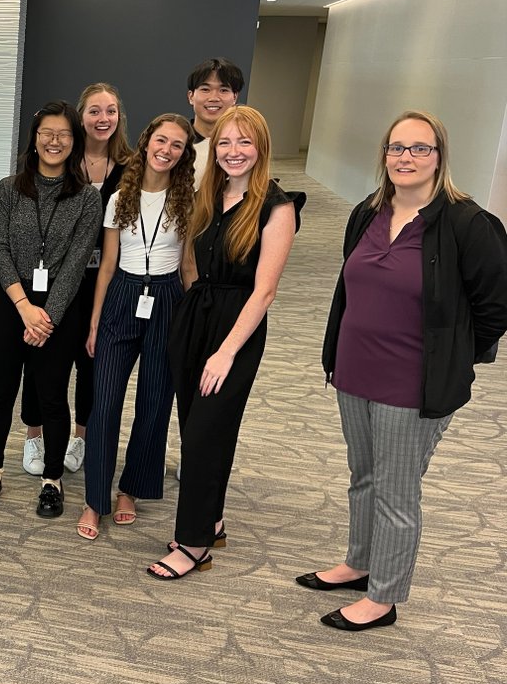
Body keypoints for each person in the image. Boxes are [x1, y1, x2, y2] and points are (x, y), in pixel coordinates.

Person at [300, 111, 507, 631]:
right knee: (363, 477)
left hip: (410, 383)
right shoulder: (367, 213)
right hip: (354, 370)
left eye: (420, 148)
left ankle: (384, 596)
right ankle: (360, 561)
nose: (406, 158)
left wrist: (459, 357)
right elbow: (348, 293)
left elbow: (495, 306)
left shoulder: (465, 223)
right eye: (397, 148)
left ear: (440, 156)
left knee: (397, 489)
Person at [148, 105, 303, 580]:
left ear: (261, 148)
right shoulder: (207, 196)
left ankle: (192, 543)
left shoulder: (278, 208)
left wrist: (226, 351)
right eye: (225, 143)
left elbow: (265, 292)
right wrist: (192, 309)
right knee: (202, 426)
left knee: (203, 435)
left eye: (244, 143)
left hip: (237, 328)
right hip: (196, 315)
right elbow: (191, 259)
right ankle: (210, 519)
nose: (234, 152)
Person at [0, 101, 102, 518]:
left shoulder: (87, 199)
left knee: (52, 398)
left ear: (74, 141)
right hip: (10, 302)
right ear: (34, 138)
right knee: (0, 394)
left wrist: (45, 316)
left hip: (58, 311)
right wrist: (25, 307)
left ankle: (52, 480)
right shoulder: (9, 189)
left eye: (64, 134)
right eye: (46, 132)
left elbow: (77, 262)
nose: (54, 141)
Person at [77, 114, 195, 540]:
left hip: (167, 299)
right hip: (123, 296)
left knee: (154, 403)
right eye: (161, 140)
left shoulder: (188, 200)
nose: (166, 149)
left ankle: (131, 488)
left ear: (184, 154)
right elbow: (106, 265)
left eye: (177, 145)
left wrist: (195, 324)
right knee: (103, 403)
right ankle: (95, 499)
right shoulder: (119, 198)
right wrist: (94, 323)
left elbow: (188, 266)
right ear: (146, 143)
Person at [19, 83, 130, 477]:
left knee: (91, 360)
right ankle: (34, 433)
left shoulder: (131, 168)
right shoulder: (62, 159)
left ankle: (79, 435)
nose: (103, 119)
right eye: (95, 111)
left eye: (111, 111)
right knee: (42, 357)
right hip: (56, 277)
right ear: (79, 118)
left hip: (106, 280)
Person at [186, 57, 244, 185]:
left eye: (223, 90)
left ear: (235, 97)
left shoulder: (246, 147)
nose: (214, 98)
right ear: (191, 96)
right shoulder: (175, 143)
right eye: (205, 89)